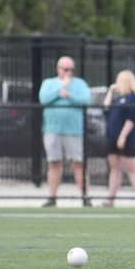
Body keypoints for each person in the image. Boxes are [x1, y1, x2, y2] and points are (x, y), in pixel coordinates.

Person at [38, 56, 92, 207]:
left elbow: (86, 100)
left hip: (73, 131)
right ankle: (52, 197)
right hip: (52, 129)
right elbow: (43, 98)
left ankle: (85, 196)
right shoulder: (49, 83)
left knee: (78, 163)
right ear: (58, 69)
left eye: (71, 69)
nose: (69, 72)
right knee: (54, 163)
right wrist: (59, 89)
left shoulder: (80, 84)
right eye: (65, 69)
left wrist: (69, 94)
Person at [102, 70, 135, 206]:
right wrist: (110, 91)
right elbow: (105, 109)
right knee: (115, 168)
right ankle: (110, 199)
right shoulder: (117, 99)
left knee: (132, 169)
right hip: (112, 138)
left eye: (119, 80)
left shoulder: (133, 98)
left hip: (125, 139)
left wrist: (122, 137)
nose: (116, 82)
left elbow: (131, 119)